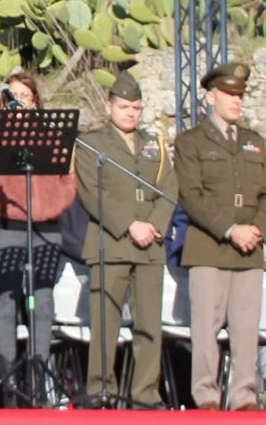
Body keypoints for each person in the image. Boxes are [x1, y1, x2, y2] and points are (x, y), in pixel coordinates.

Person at [0, 69, 77, 396]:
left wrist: (54, 205)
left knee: (43, 301)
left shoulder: (50, 134)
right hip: (5, 229)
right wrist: (8, 208)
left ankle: (39, 380)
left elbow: (69, 180)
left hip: (45, 230)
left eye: (26, 96)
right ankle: (10, 383)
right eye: (14, 96)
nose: (21, 102)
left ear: (35, 101)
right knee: (7, 303)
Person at [175, 61, 266, 412]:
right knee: (206, 328)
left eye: (240, 95)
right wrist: (230, 229)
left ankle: (244, 395)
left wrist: (257, 229)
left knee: (247, 329)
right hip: (210, 247)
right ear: (210, 96)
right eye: (229, 94)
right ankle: (206, 395)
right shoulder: (190, 142)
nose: (237, 101)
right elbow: (191, 194)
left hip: (249, 248)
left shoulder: (254, 142)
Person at [74, 71, 178, 409]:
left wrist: (154, 225)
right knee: (105, 326)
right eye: (123, 106)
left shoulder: (155, 144)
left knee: (149, 326)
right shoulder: (91, 143)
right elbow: (92, 192)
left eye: (135, 107)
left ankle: (145, 394)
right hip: (111, 244)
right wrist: (129, 225)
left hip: (151, 245)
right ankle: (100, 392)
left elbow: (169, 189)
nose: (130, 113)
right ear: (109, 107)